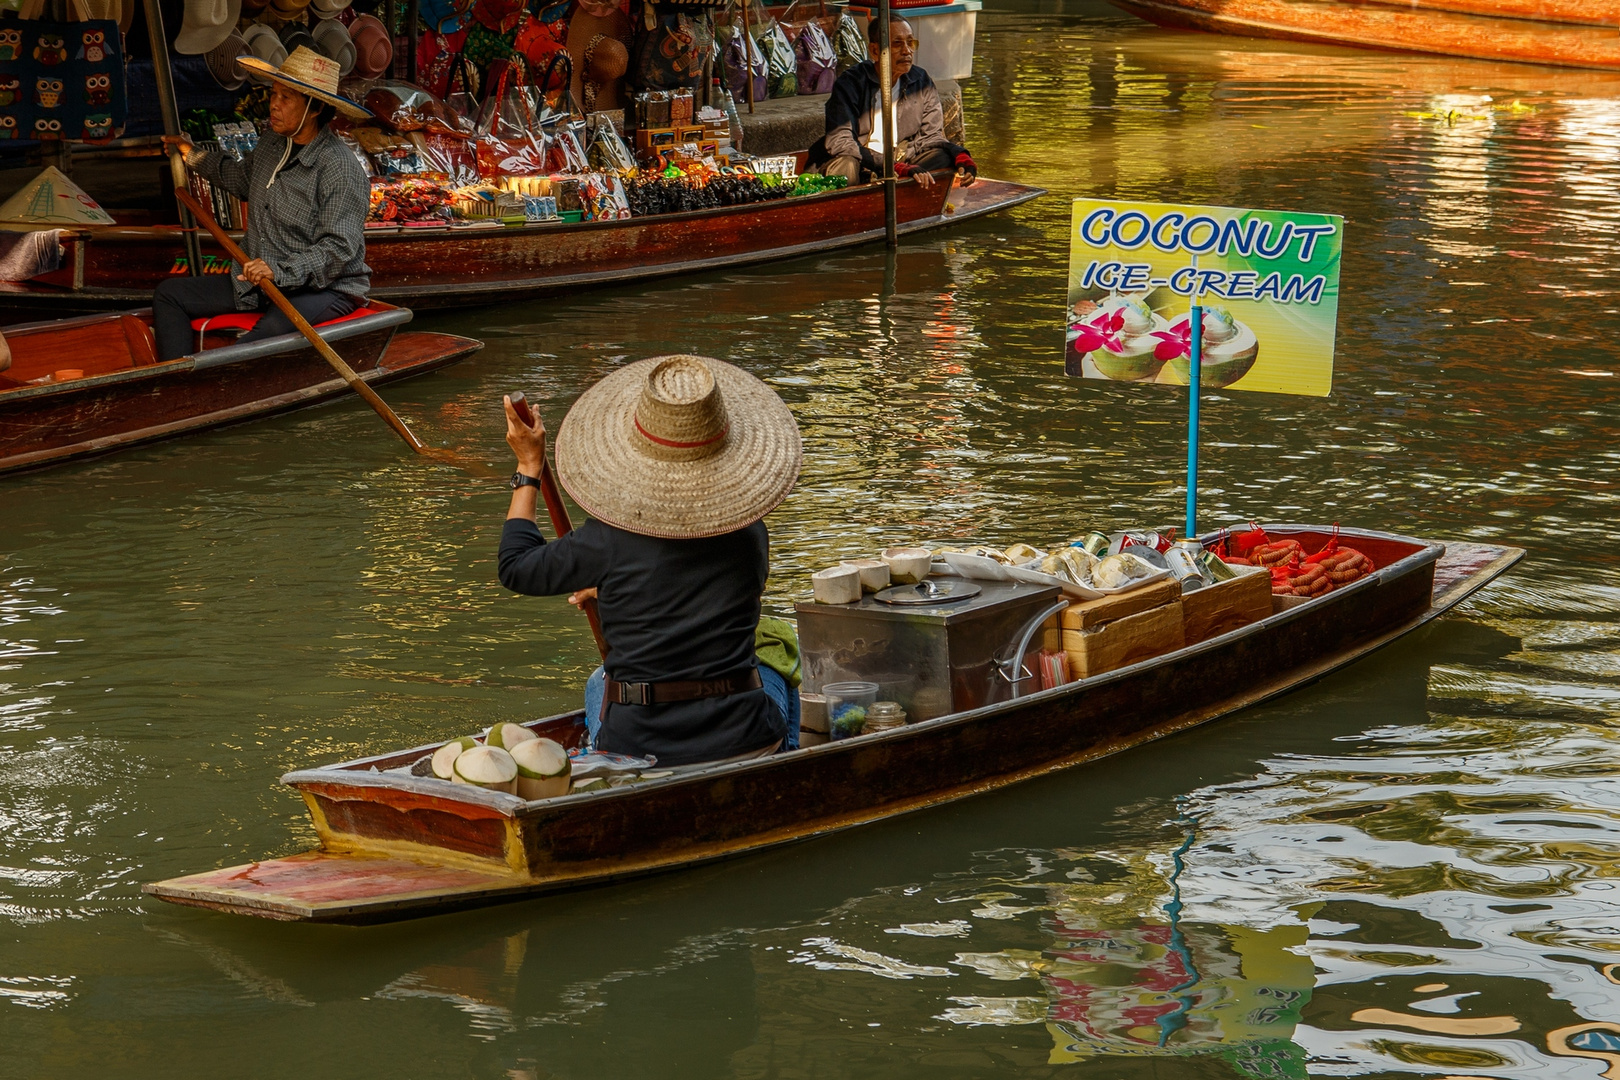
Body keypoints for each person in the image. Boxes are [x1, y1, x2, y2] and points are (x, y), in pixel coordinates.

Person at [498, 354, 803, 768]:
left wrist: (528, 467)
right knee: (778, 659)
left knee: (597, 683)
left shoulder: (607, 540)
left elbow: (516, 565)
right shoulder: (751, 532)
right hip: (747, 736)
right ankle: (787, 760)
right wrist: (612, 585)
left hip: (638, 747)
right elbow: (690, 581)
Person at [152, 48, 372, 362]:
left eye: (286, 98)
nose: (274, 104)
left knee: (249, 350)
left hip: (325, 288)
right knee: (170, 295)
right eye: (274, 94)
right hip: (263, 279)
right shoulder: (272, 142)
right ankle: (174, 382)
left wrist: (279, 271)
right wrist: (193, 155)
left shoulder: (340, 168)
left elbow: (337, 249)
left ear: (315, 108)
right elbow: (242, 180)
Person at [807, 17, 977, 190]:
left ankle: (909, 202)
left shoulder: (921, 81)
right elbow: (840, 141)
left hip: (901, 160)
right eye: (897, 44)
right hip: (861, 161)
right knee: (845, 167)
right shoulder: (850, 83)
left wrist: (960, 154)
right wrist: (889, 165)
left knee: (943, 158)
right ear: (875, 51)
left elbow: (931, 136)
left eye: (910, 43)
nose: (907, 51)